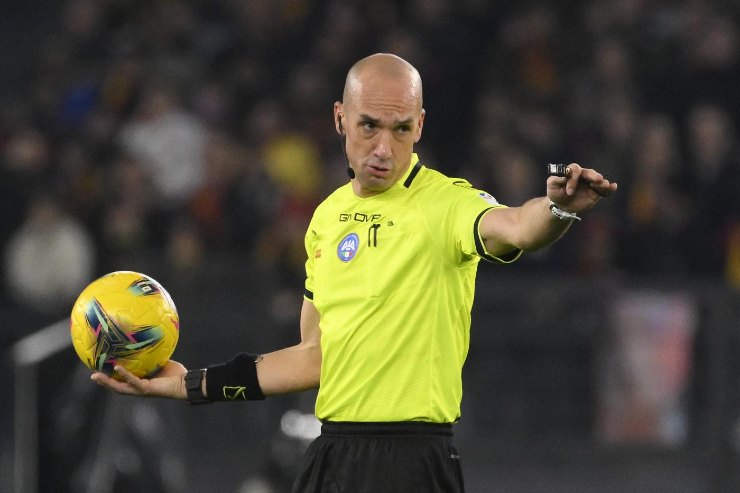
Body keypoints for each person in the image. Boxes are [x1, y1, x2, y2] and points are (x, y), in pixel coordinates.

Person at [92, 53, 617, 492]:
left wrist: (559, 210)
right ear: (341, 118)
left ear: (421, 126)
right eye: (369, 126)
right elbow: (313, 359)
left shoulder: (447, 204)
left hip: (414, 462)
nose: (384, 149)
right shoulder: (326, 219)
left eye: (401, 129)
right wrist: (191, 386)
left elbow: (518, 226)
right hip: (332, 455)